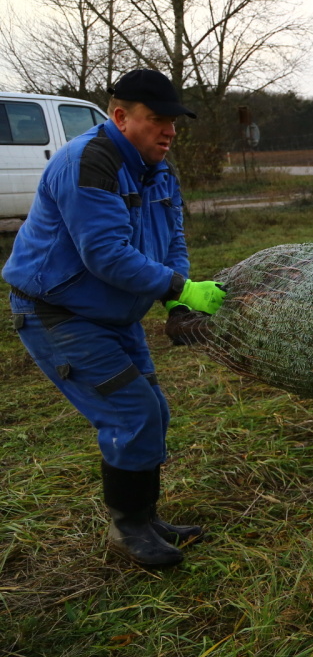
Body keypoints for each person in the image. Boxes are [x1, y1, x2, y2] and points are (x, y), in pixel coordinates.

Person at [4, 69, 226, 568]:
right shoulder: (90, 162)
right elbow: (105, 254)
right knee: (131, 413)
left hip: (113, 313)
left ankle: (144, 518)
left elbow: (172, 240)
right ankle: (127, 532)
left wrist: (178, 301)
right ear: (121, 117)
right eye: (157, 120)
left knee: (154, 413)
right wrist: (180, 287)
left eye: (173, 122)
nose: (169, 131)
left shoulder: (158, 168)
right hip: (59, 312)